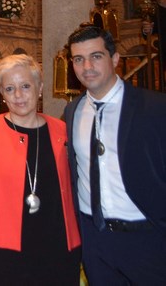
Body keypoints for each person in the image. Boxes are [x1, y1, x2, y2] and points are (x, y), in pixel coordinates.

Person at [0, 54, 81, 285]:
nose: (18, 95)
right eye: (10, 88)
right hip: (8, 248)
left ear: (39, 88)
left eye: (25, 86)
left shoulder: (62, 130)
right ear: (1, 93)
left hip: (59, 246)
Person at [64, 25, 166, 284]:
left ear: (115, 59)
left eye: (96, 56)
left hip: (147, 236)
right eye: (78, 59)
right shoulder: (72, 112)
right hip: (95, 241)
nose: (87, 66)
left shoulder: (155, 108)